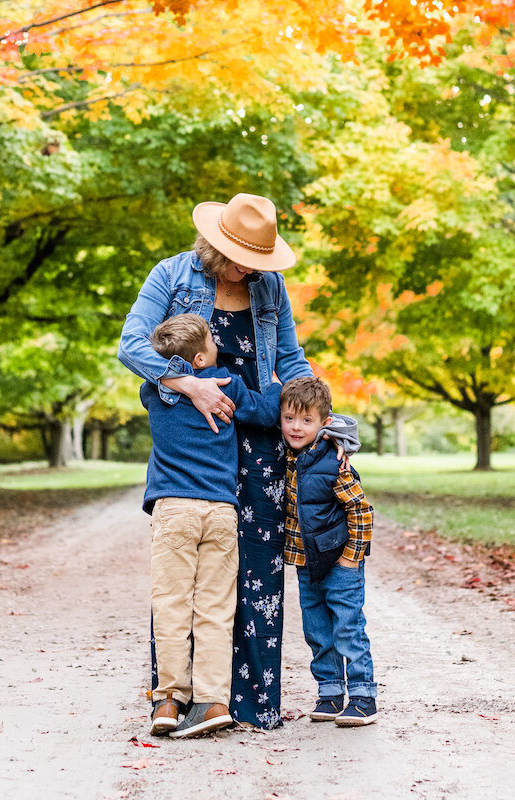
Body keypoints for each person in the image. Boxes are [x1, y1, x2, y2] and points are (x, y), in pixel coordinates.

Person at [119, 191, 356, 729]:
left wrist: (319, 416)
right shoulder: (173, 275)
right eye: (239, 258)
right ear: (213, 242)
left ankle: (239, 701)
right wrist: (188, 384)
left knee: (254, 568)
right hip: (202, 437)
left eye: (256, 261)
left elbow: (292, 361)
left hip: (262, 437)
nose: (247, 270)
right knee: (186, 579)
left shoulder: (269, 286)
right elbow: (131, 344)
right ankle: (174, 697)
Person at [141, 314, 281, 739]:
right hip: (221, 511)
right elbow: (267, 412)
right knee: (216, 611)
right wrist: (274, 382)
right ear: (201, 357)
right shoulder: (229, 386)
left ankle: (168, 699)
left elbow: (155, 375)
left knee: (171, 605)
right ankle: (214, 701)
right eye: (212, 340)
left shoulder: (153, 391)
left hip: (174, 511)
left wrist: (174, 376)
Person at [280, 376, 378, 727]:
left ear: (325, 423)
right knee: (317, 630)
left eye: (307, 420)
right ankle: (331, 692)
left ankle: (364, 697)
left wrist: (352, 556)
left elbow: (361, 511)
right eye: (289, 418)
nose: (296, 427)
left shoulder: (333, 462)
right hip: (306, 563)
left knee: (347, 628)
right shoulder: (286, 458)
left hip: (340, 562)